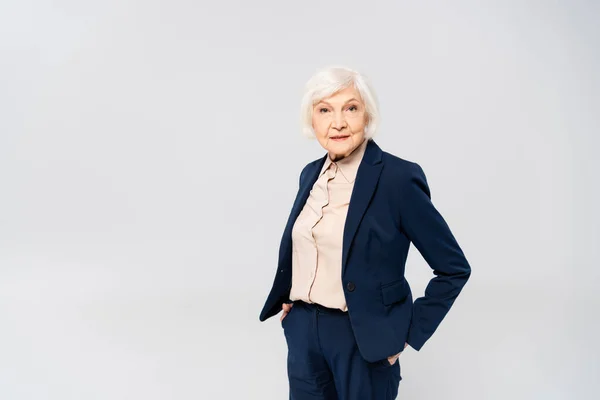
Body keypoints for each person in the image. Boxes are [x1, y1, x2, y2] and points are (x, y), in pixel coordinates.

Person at [259, 66, 472, 400]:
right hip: (304, 334)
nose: (338, 122)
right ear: (312, 120)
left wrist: (407, 333)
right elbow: (309, 245)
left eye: (351, 108)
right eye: (325, 110)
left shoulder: (397, 179)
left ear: (367, 115)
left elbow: (453, 268)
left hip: (362, 339)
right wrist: (292, 300)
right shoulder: (309, 175)